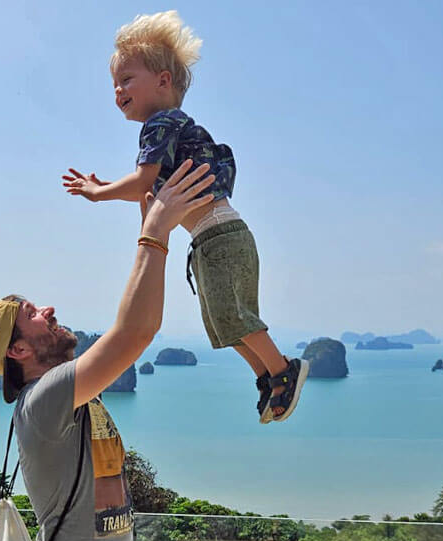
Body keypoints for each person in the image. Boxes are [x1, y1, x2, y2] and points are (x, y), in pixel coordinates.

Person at [0, 160, 215, 541]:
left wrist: (150, 211)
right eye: (35, 314)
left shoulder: (66, 393)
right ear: (18, 348)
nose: (50, 310)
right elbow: (134, 335)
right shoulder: (46, 398)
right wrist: (154, 235)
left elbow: (133, 328)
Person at [62, 10, 309, 424]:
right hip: (214, 238)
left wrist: (97, 193)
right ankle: (267, 377)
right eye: (114, 84)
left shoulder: (160, 124)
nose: (118, 90)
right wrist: (126, 198)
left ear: (163, 81)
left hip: (220, 236)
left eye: (127, 79)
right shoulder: (176, 131)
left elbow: (143, 181)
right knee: (222, 324)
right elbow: (151, 191)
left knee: (234, 317)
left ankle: (284, 370)